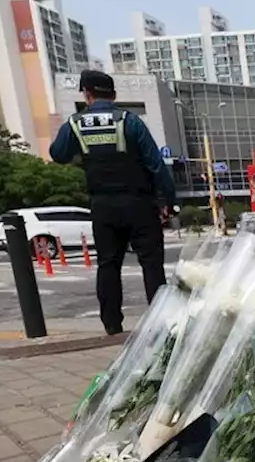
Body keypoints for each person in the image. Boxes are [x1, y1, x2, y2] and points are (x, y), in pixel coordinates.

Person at [50, 70, 176, 335]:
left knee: (108, 264)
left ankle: (112, 324)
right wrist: (168, 200)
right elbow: (155, 164)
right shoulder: (129, 121)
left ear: (87, 94)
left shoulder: (75, 124)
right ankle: (159, 323)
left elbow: (58, 154)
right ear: (114, 95)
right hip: (139, 203)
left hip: (103, 206)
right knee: (151, 264)